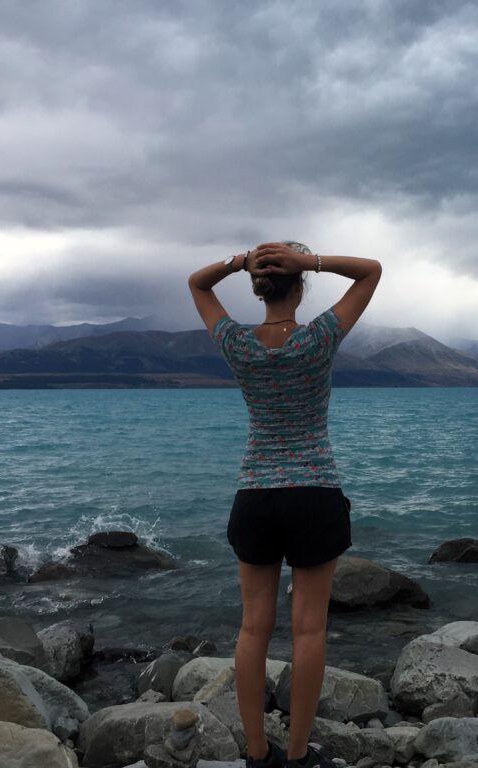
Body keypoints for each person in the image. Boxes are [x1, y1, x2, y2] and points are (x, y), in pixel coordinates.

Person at [188, 241, 382, 768]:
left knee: (253, 628)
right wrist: (312, 261)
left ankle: (257, 754)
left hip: (255, 496)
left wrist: (239, 262)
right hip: (315, 493)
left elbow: (197, 283)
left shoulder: (238, 344)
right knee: (310, 629)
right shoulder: (319, 338)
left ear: (260, 289)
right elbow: (370, 272)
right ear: (298, 286)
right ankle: (297, 757)